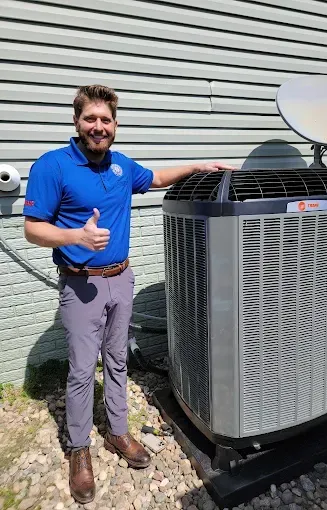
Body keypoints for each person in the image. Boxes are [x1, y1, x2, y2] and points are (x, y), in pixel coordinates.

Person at [23, 84, 234, 504]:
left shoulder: (121, 166)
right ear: (77, 121)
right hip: (81, 283)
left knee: (118, 360)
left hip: (122, 278)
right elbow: (32, 229)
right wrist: (75, 235)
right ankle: (80, 449)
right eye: (90, 119)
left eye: (106, 120)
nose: (98, 127)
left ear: (115, 125)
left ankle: (118, 432)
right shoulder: (53, 166)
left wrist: (197, 167)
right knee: (84, 370)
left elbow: (154, 178)